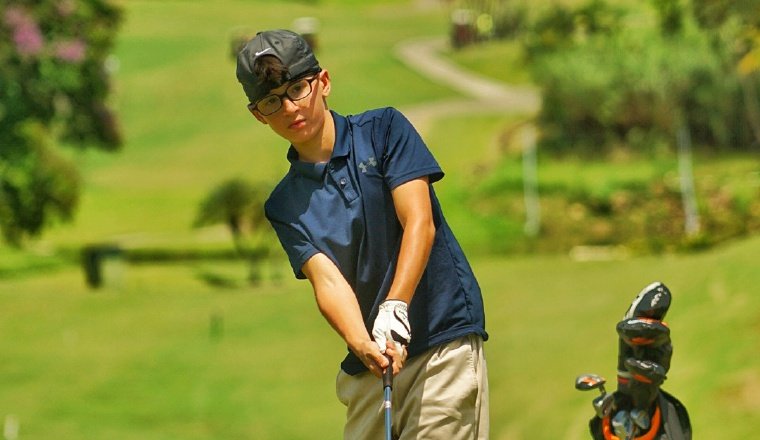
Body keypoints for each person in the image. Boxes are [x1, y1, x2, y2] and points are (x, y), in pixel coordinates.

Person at [236, 29, 489, 439]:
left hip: (442, 339)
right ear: (258, 114)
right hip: (373, 364)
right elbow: (329, 280)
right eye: (271, 101)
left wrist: (395, 306)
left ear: (323, 82)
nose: (289, 108)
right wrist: (361, 342)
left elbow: (419, 223)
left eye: (297, 88)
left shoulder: (384, 130)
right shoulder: (284, 205)